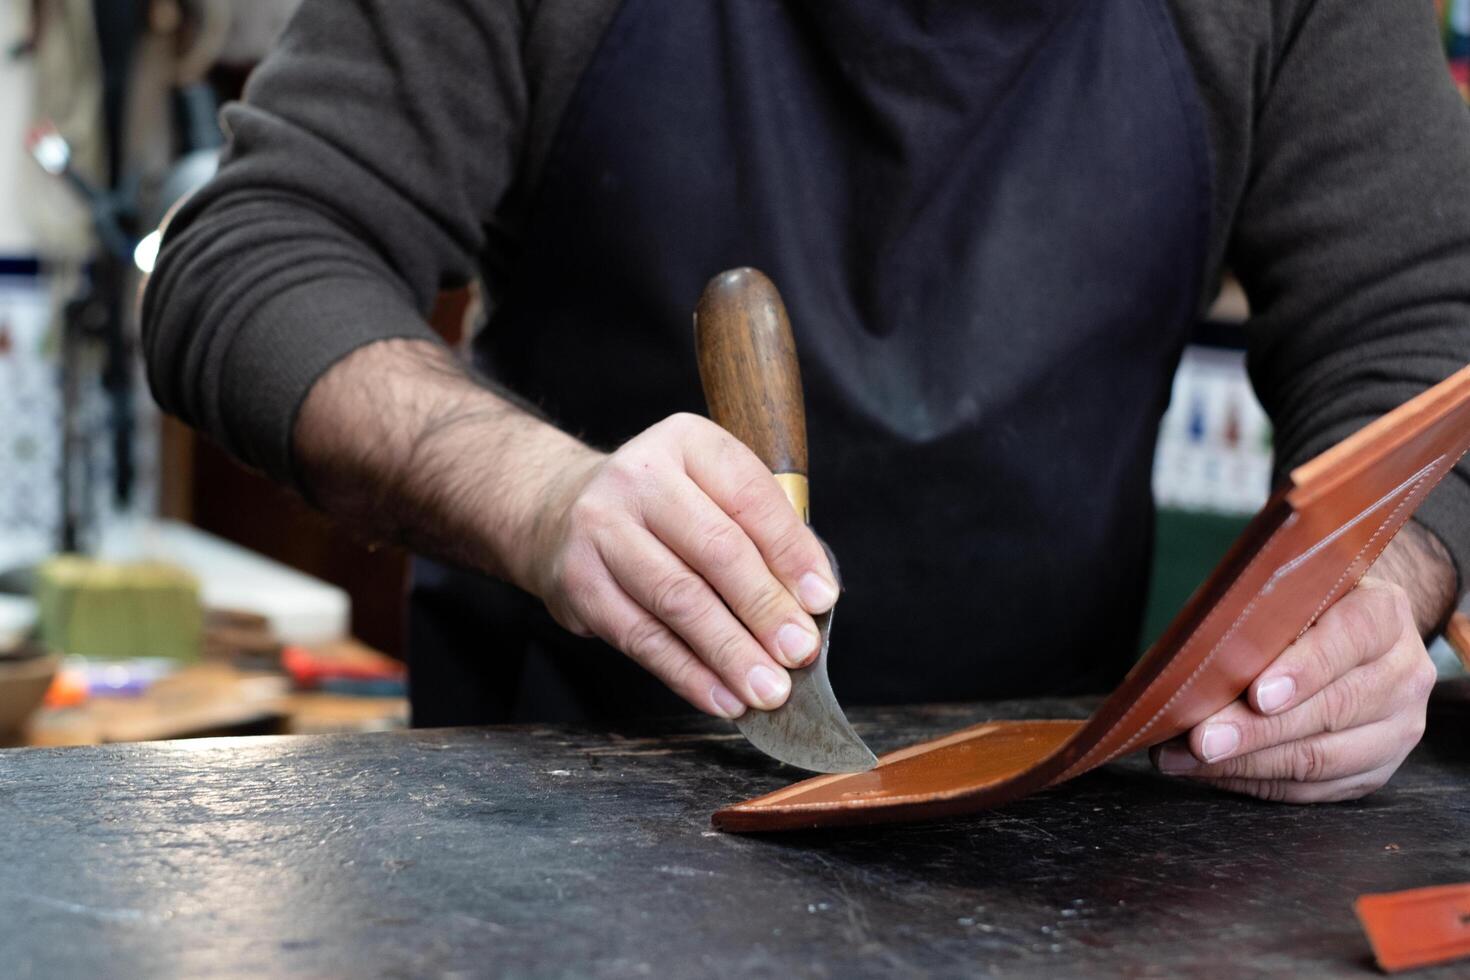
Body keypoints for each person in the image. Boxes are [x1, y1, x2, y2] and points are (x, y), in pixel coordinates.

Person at [143, 0, 1470, 803]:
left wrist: (1373, 593)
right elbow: (249, 256)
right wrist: (542, 496)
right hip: (556, 817)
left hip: (1047, 825)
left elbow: (1423, 315)